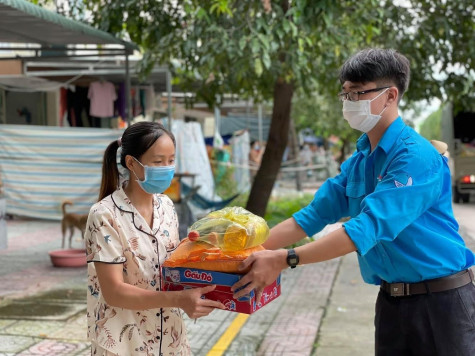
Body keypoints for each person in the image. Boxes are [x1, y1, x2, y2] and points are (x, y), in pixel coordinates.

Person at [231, 48, 475, 356]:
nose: (349, 102)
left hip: (442, 305)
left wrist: (285, 259)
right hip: (391, 303)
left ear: (390, 96)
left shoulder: (415, 156)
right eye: (345, 94)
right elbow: (309, 217)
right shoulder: (360, 161)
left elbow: (364, 228)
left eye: (358, 93)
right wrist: (237, 254)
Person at [85, 121, 224, 355]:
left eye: (171, 160)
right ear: (131, 163)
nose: (167, 168)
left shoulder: (166, 206)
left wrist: (196, 250)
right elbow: (114, 292)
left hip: (170, 340)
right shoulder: (104, 215)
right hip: (123, 344)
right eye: (158, 162)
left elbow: (168, 267)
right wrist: (180, 299)